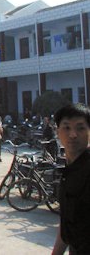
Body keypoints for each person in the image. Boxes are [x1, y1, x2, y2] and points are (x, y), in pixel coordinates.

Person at [52, 104, 90, 254]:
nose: (73, 134)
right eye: (66, 128)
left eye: (80, 128)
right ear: (58, 132)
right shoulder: (68, 172)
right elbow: (66, 223)